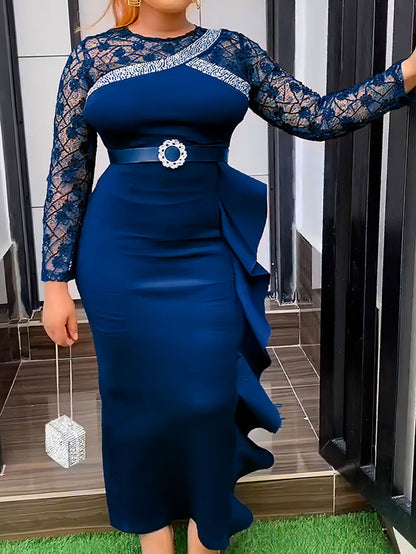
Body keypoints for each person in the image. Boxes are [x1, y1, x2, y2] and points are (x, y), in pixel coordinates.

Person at [40, 1, 416, 553]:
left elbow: (317, 115)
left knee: (209, 400)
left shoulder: (233, 51)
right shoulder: (91, 58)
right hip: (118, 255)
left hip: (206, 253)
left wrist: (407, 72)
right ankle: (154, 542)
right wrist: (55, 283)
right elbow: (67, 172)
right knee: (133, 402)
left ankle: (207, 536)